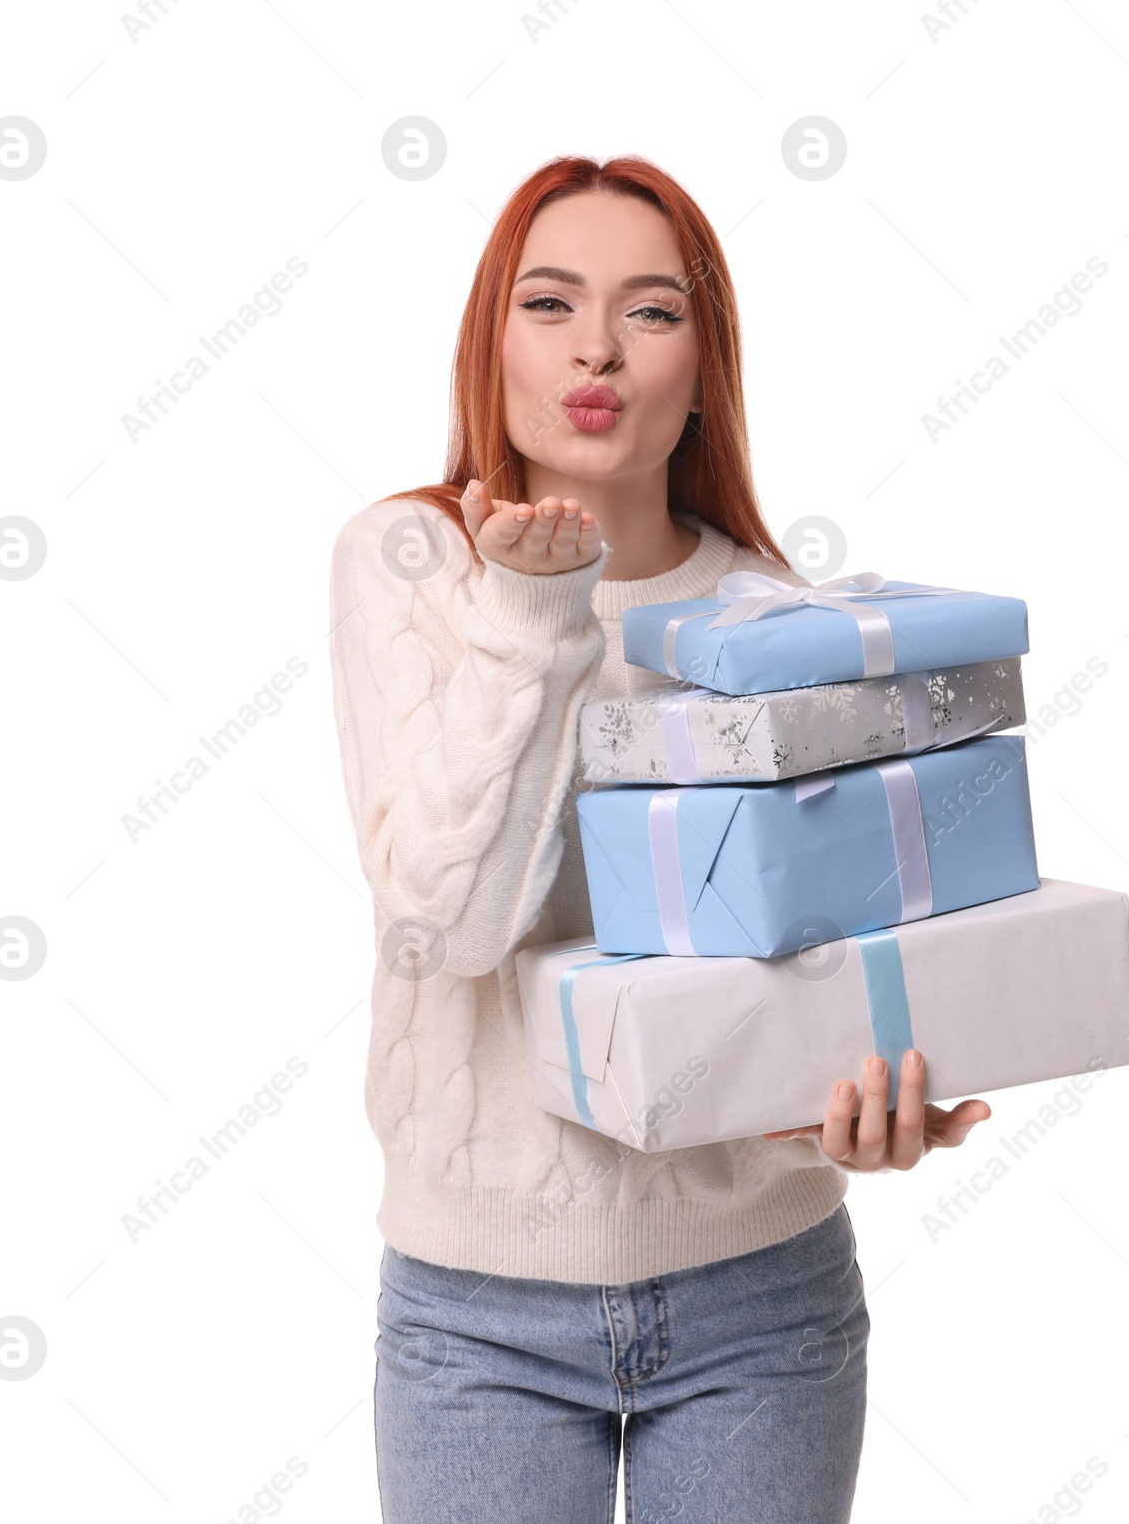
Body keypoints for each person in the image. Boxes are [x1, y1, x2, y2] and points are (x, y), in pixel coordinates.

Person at [327, 154, 993, 1524]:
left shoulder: (779, 615)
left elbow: (806, 960)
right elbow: (442, 922)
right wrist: (534, 613)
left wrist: (853, 1118)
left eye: (649, 311)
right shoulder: (409, 564)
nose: (595, 349)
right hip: (479, 1317)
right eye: (550, 301)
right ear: (489, 340)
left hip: (765, 1299)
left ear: (704, 362)